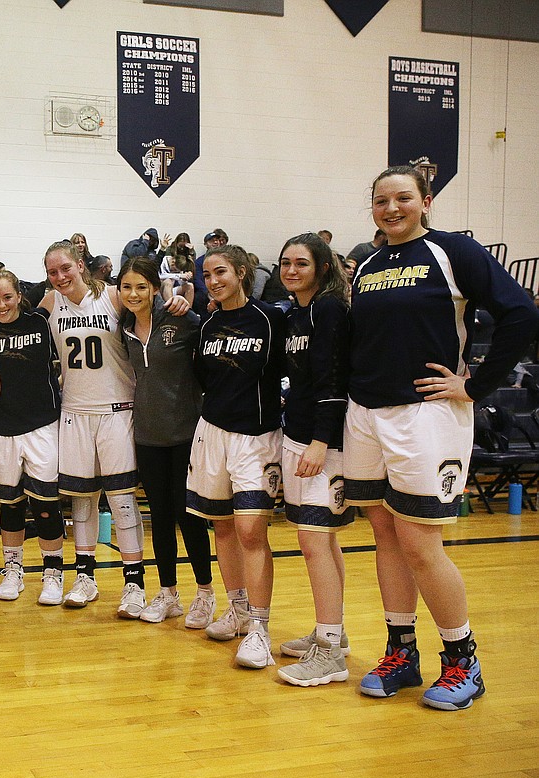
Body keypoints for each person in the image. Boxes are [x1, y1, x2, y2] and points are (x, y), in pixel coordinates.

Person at [346, 165, 539, 710]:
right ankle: (401, 652)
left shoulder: (453, 251)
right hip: (367, 413)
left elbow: (521, 312)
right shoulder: (369, 265)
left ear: (426, 201)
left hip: (425, 415)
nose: (392, 209)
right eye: (381, 201)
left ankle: (462, 660)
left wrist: (475, 384)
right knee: (385, 535)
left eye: (403, 198)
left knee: (419, 542)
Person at [37, 241, 158, 617]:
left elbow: (154, 315)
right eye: (52, 272)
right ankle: (85, 577)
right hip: (74, 411)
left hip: (117, 410)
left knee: (122, 501)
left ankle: (134, 584)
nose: (59, 277)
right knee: (82, 501)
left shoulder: (112, 296)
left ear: (80, 265)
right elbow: (12, 321)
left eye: (65, 269)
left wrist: (177, 297)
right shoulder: (49, 304)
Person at [185, 244, 285, 670]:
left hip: (256, 436)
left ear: (242, 272)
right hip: (212, 432)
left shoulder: (269, 319)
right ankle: (239, 609)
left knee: (250, 532)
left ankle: (260, 628)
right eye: (207, 275)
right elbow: (204, 378)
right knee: (221, 527)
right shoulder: (207, 325)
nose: (213, 281)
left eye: (220, 272)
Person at [270, 233, 355, 688]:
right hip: (299, 434)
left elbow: (334, 377)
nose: (290, 270)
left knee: (313, 540)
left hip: (326, 443)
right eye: (285, 263)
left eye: (301, 263)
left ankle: (329, 654)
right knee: (324, 540)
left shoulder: (328, 309)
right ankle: (332, 635)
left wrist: (322, 440)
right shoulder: (297, 313)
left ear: (322, 267)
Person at [117, 256, 215, 627]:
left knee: (186, 514)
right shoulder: (123, 325)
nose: (134, 293)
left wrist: (186, 300)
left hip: (185, 433)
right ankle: (169, 593)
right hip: (147, 434)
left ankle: (205, 592)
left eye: (141, 286)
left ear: (156, 288)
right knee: (158, 515)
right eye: (127, 287)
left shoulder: (181, 319)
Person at [0, 265, 65, 604]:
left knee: (45, 504)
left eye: (7, 297)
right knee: (9, 505)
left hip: (42, 426)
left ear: (20, 296)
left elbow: (57, 291)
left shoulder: (40, 321)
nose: (1, 305)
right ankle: (13, 571)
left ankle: (53, 573)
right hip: (3, 427)